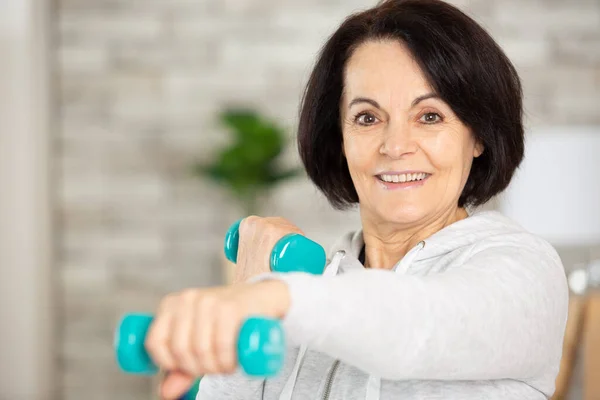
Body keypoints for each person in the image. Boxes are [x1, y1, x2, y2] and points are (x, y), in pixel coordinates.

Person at [145, 0, 569, 399]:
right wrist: (243, 305)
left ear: (477, 135)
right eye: (367, 117)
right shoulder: (315, 290)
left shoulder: (524, 270)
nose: (396, 145)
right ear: (341, 138)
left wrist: (269, 296)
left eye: (430, 116)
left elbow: (415, 326)